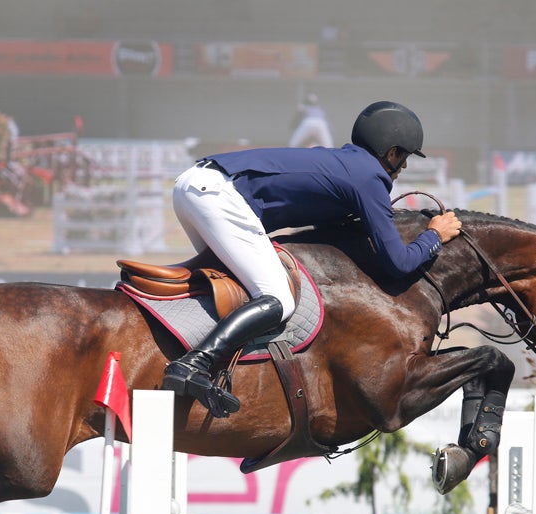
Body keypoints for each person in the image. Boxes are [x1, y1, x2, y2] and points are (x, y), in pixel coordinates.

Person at [162, 100, 463, 418]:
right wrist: (434, 236)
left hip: (194, 186)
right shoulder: (369, 177)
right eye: (404, 158)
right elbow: (399, 263)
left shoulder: (349, 165)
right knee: (278, 298)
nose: (403, 168)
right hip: (217, 196)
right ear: (391, 153)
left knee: (233, 288)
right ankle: (195, 363)